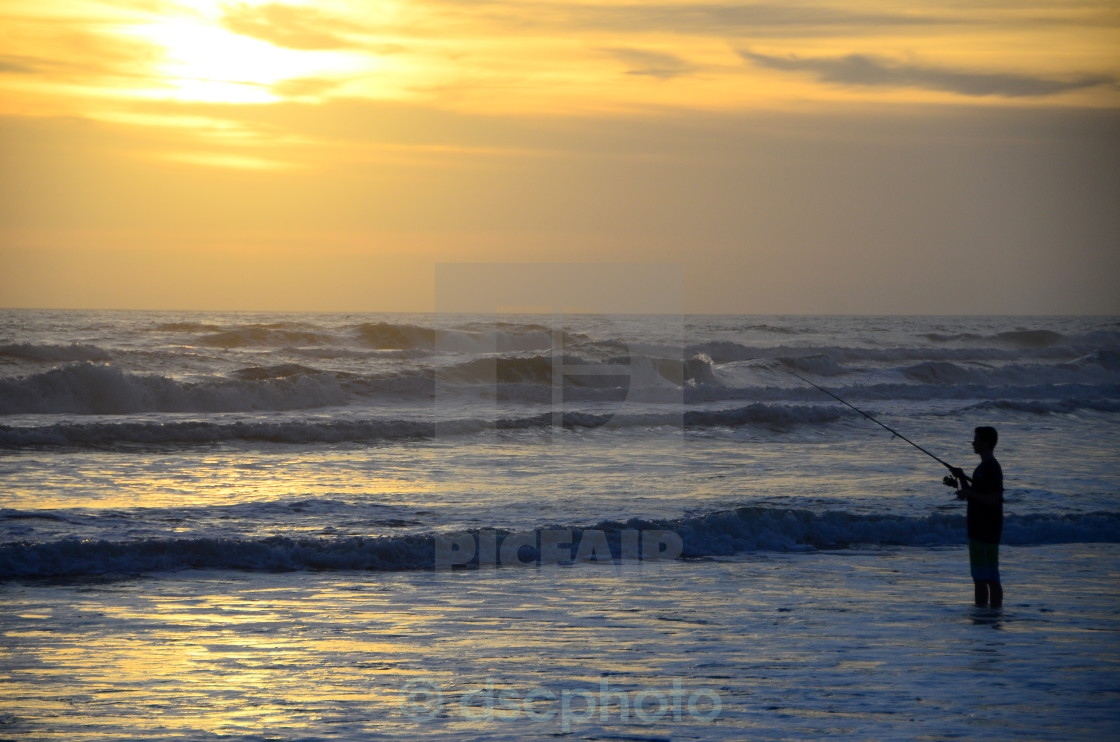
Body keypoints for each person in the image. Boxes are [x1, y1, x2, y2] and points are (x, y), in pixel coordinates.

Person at [950, 426, 1004, 608]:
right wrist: (961, 478)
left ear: (986, 443)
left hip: (987, 530)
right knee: (980, 577)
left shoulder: (992, 468)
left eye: (977, 440)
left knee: (989, 578)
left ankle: (992, 613)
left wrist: (969, 494)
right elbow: (975, 493)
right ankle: (982, 614)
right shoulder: (981, 468)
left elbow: (993, 500)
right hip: (977, 529)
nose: (973, 443)